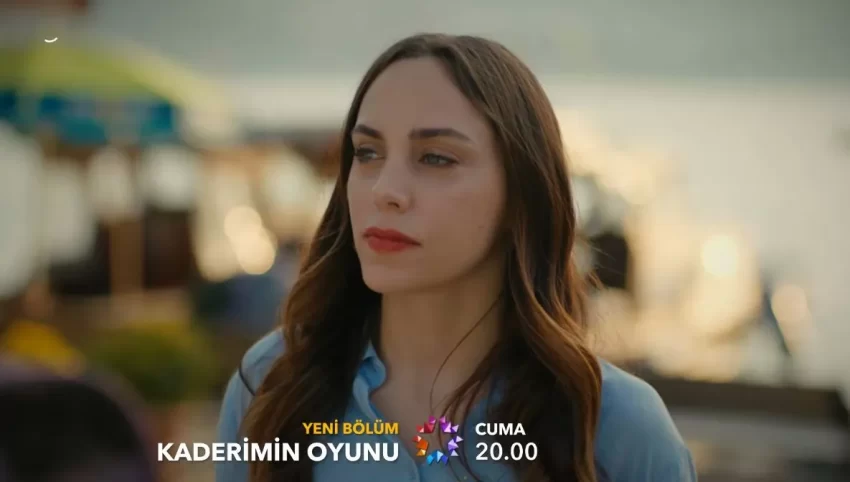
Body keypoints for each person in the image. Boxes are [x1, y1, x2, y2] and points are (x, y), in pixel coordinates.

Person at [217, 33, 697, 482]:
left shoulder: (615, 427)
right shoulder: (272, 384)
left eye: (435, 158)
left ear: (521, 192)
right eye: (366, 153)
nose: (385, 189)